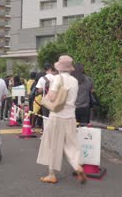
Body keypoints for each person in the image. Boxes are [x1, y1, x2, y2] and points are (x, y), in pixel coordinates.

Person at [37, 55, 87, 184]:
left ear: (59, 67)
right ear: (70, 68)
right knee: (72, 144)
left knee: (53, 145)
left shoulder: (58, 78)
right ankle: (77, 166)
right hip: (71, 117)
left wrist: (48, 96)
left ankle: (51, 174)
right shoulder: (75, 81)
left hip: (57, 116)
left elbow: (53, 98)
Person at [35, 63, 55, 131]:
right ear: (51, 69)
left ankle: (45, 132)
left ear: (45, 70)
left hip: (45, 100)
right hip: (54, 100)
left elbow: (39, 90)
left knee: (45, 117)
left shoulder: (42, 78)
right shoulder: (56, 78)